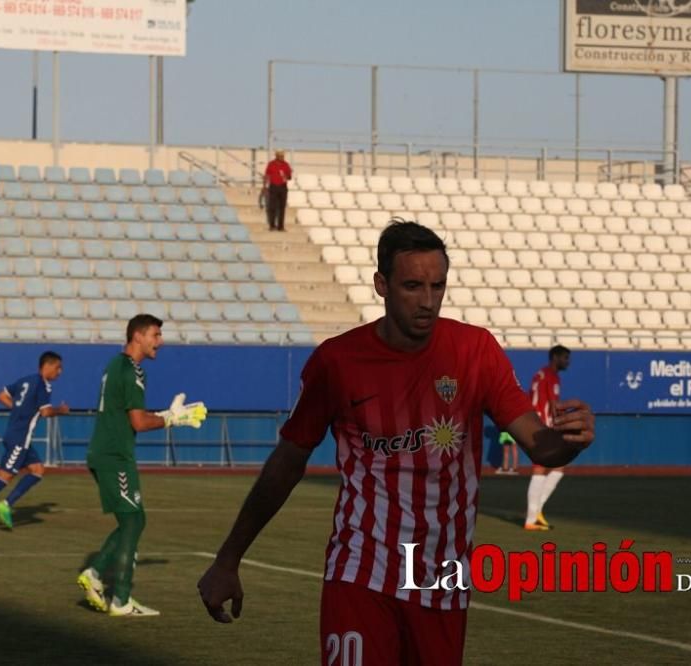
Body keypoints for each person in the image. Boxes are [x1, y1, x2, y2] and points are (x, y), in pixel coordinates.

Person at [197, 220, 595, 665]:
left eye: (437, 286)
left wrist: (569, 442)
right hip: (362, 569)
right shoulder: (338, 361)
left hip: (442, 580)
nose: (428, 301)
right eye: (412, 286)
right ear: (381, 285)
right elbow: (288, 460)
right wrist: (229, 558)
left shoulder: (475, 350)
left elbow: (540, 446)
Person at [76, 314, 207, 618]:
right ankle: (118, 599)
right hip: (114, 456)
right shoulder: (133, 371)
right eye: (155, 335)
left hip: (108, 452)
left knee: (132, 521)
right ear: (138, 336)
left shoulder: (114, 365)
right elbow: (137, 421)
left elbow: (129, 414)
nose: (159, 342)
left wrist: (164, 414)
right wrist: (173, 419)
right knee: (133, 522)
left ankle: (97, 576)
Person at [0, 352, 69, 534]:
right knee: (4, 476)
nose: (60, 372)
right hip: (20, 438)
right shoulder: (43, 385)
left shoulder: (26, 380)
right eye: (58, 367)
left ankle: (6, 504)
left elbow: (1, 396)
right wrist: (61, 410)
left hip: (17, 435)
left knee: (38, 470)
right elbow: (46, 412)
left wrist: (19, 409)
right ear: (48, 365)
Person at [524, 345, 571, 531]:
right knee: (542, 468)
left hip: (535, 424)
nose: (567, 362)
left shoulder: (540, 374)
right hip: (543, 427)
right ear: (555, 357)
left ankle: (536, 513)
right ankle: (531, 518)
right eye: (565, 358)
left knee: (557, 467)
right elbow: (553, 405)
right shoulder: (551, 376)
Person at [263, 149, 293, 231]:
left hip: (283, 187)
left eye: (282, 156)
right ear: (276, 156)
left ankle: (281, 226)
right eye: (280, 155)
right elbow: (267, 175)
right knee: (272, 207)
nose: (282, 157)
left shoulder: (286, 165)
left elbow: (289, 177)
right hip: (273, 187)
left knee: (282, 207)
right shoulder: (271, 164)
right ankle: (272, 225)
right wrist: (265, 186)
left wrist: (286, 176)